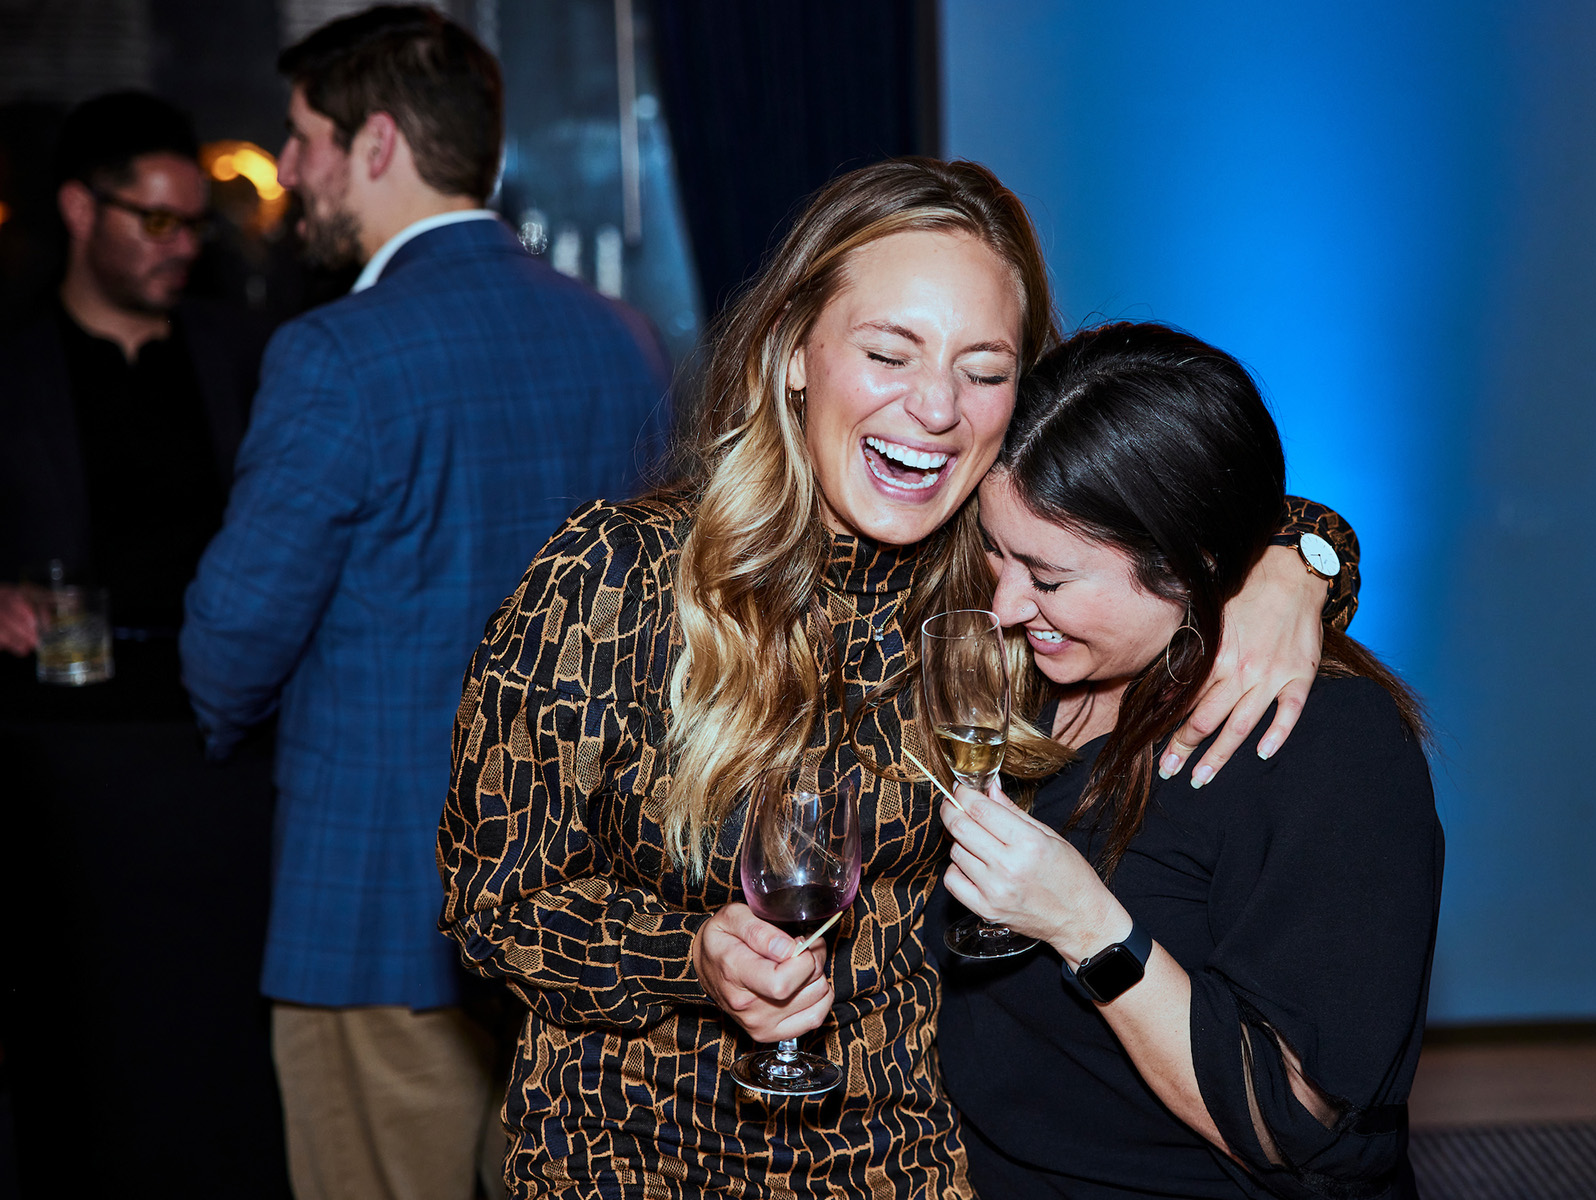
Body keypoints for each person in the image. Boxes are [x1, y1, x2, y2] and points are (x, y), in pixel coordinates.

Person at [440, 158, 1358, 1198]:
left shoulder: (1003, 598)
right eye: (889, 353)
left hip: (907, 1167)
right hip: (631, 1161)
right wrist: (687, 957)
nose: (934, 406)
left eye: (984, 370)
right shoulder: (614, 580)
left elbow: (1180, 503)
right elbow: (492, 904)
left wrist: (1296, 564)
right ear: (794, 353)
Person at [178, 8, 672, 1199]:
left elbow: (233, 637)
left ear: (379, 143)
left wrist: (221, 719)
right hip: (576, 908)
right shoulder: (626, 341)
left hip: (378, 904)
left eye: (304, 137)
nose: (287, 167)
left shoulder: (337, 354)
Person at [937, 322, 1443, 1200]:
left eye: (1049, 579)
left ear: (1188, 564)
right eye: (994, 548)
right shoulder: (1017, 676)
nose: (1007, 603)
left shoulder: (1325, 745)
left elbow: (1301, 1123)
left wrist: (1088, 927)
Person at [0, 91, 292, 1196]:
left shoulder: (246, 354)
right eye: (155, 220)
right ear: (81, 209)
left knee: (218, 1036)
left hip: (226, 746)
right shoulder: (13, 364)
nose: (182, 246)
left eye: (194, 224)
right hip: (67, 755)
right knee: (87, 1037)